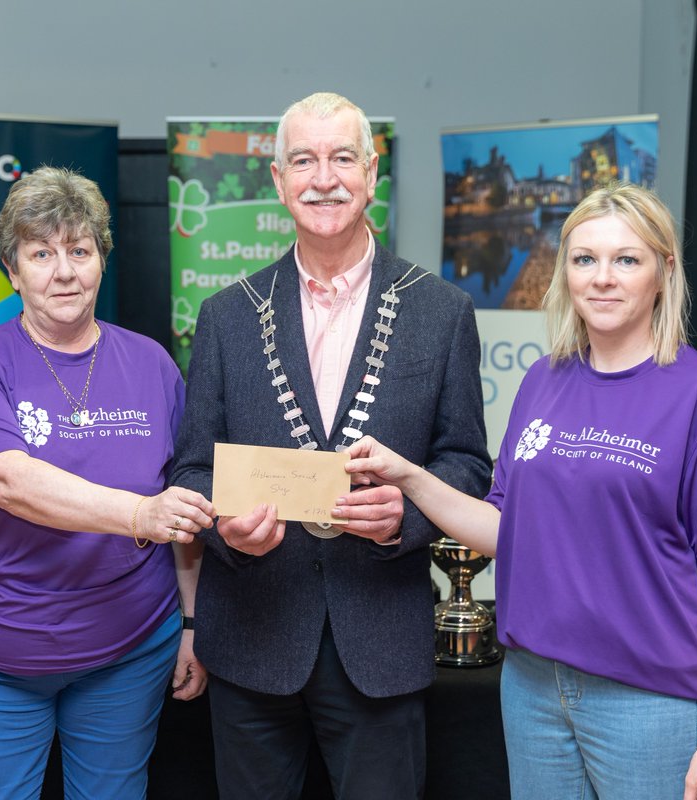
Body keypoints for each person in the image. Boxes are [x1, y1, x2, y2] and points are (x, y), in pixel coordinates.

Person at [344, 183, 697, 800]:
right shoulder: (543, 381)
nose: (603, 278)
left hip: (646, 702)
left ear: (662, 272)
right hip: (533, 691)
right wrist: (408, 475)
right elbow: (504, 528)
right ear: (564, 271)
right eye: (584, 259)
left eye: (627, 259)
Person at [170, 92, 491, 799]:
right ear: (278, 182)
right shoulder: (225, 316)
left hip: (379, 641)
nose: (325, 178)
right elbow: (192, 465)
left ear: (372, 174)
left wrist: (406, 519)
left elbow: (466, 460)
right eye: (305, 161)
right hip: (251, 639)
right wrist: (226, 530)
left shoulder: (442, 313)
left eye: (343, 157)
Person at [0, 165, 215, 799]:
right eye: (41, 253)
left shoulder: (152, 363)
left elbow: (186, 500)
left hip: (129, 647)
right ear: (13, 269)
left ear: (101, 261)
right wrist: (139, 515)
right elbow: (8, 481)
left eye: (80, 251)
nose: (64, 271)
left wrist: (192, 623)